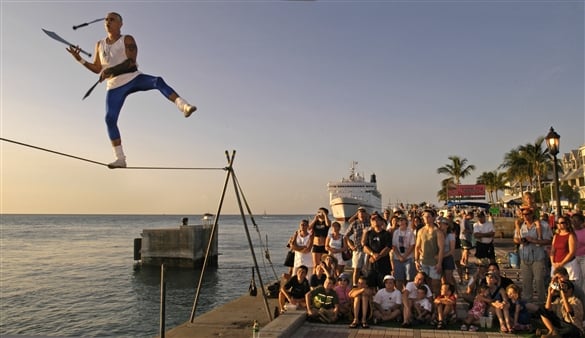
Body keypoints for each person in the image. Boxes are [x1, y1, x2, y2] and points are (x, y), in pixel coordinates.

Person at [67, 12, 196, 168]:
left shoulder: (127, 39)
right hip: (114, 86)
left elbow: (131, 63)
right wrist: (79, 59)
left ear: (120, 24)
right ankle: (120, 159)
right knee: (109, 119)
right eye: (106, 20)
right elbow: (97, 68)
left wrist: (111, 70)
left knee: (157, 81)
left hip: (133, 78)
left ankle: (183, 105)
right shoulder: (99, 44)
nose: (108, 21)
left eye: (112, 19)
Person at [514, 205, 552, 305]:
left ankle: (542, 302)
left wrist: (533, 240)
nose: (526, 216)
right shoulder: (520, 225)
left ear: (532, 214)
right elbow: (515, 238)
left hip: (538, 257)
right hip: (524, 257)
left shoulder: (542, 225)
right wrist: (521, 241)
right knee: (526, 281)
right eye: (524, 214)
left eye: (528, 214)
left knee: (539, 280)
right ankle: (527, 302)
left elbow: (549, 240)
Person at [415, 209, 444, 297]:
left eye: (428, 216)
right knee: (424, 286)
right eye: (424, 216)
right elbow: (417, 246)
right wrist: (416, 260)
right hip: (423, 261)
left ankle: (437, 306)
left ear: (433, 218)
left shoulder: (438, 232)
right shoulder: (420, 231)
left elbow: (441, 248)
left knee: (435, 285)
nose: (426, 218)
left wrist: (439, 263)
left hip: (434, 263)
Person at [362, 212, 392, 288]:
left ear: (382, 221)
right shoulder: (368, 234)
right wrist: (372, 254)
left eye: (378, 220)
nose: (375, 221)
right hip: (371, 265)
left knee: (383, 287)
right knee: (370, 287)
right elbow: (365, 247)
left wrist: (378, 256)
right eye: (373, 220)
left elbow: (388, 247)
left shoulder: (386, 234)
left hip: (384, 265)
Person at [550, 216, 580, 281]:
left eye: (562, 223)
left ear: (567, 224)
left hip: (568, 263)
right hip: (556, 263)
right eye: (557, 223)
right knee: (555, 283)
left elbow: (572, 252)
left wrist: (561, 263)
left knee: (571, 284)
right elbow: (552, 251)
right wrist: (553, 262)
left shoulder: (570, 235)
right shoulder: (556, 236)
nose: (559, 224)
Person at [345, 207, 370, 286]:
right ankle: (355, 285)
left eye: (363, 212)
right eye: (360, 213)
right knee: (356, 269)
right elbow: (346, 236)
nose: (361, 214)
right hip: (357, 249)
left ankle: (367, 286)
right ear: (357, 214)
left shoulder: (370, 222)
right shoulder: (354, 223)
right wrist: (351, 245)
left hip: (368, 249)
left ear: (366, 214)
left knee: (367, 270)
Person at [391, 214, 415, 290]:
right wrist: (399, 256)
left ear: (406, 221)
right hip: (398, 258)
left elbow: (412, 245)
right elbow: (394, 246)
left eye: (402, 220)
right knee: (398, 278)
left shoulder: (410, 232)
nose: (400, 222)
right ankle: (399, 295)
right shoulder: (396, 232)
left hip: (408, 257)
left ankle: (407, 295)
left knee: (409, 278)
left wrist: (404, 256)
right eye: (399, 220)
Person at [309, 207, 331, 275]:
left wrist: (325, 215)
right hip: (316, 245)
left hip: (324, 245)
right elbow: (309, 228)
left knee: (324, 264)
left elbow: (328, 224)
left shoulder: (327, 221)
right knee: (316, 265)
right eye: (318, 212)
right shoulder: (315, 222)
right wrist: (315, 219)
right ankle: (314, 279)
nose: (319, 213)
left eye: (321, 212)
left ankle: (324, 278)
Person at [438, 217, 456, 287]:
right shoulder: (438, 234)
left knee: (449, 278)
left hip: (447, 257)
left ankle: (454, 292)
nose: (440, 226)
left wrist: (442, 256)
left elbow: (452, 250)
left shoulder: (450, 235)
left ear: (447, 225)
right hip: (439, 258)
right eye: (439, 224)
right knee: (442, 279)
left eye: (442, 224)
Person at [573, 213, 585, 294]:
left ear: (581, 221)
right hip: (573, 257)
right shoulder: (571, 231)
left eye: (576, 220)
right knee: (577, 278)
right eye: (573, 220)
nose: (574, 222)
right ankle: (579, 295)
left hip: (583, 257)